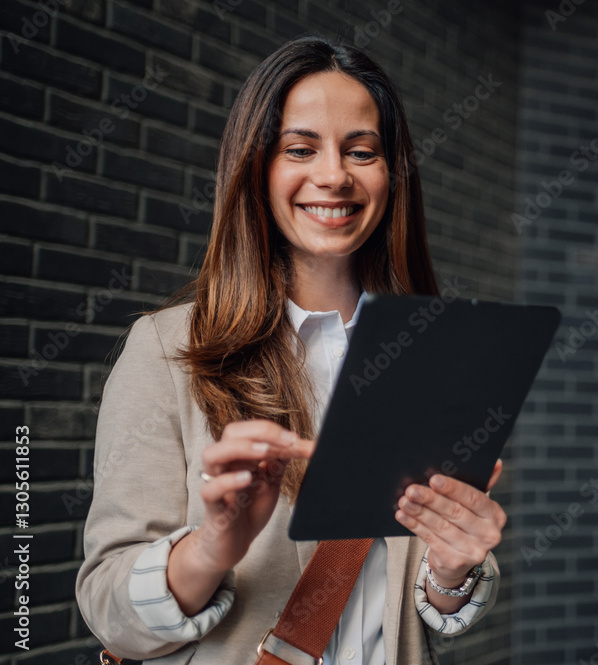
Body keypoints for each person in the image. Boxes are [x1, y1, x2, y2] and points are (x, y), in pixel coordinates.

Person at [75, 35, 506, 665]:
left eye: (361, 151)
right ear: (256, 166)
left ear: (391, 174)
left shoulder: (432, 356)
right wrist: (213, 545)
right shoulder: (167, 350)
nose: (333, 175)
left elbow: (432, 606)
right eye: (299, 149)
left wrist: (453, 566)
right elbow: (108, 608)